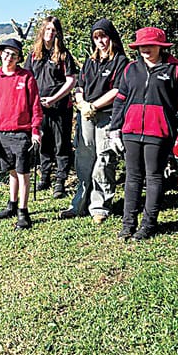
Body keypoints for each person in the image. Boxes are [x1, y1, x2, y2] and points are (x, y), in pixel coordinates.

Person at [109, 27, 178, 241]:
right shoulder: (130, 69)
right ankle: (128, 225)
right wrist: (114, 129)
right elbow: (120, 100)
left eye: (150, 45)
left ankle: (148, 224)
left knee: (154, 177)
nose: (146, 49)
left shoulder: (174, 69)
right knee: (132, 177)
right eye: (142, 45)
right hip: (131, 131)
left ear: (161, 47)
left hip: (160, 132)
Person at [59, 19, 128, 224]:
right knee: (84, 158)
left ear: (111, 37)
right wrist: (81, 103)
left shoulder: (121, 61)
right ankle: (78, 204)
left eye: (103, 36)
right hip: (86, 114)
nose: (100, 41)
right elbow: (79, 86)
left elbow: (118, 90)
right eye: (96, 38)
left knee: (104, 159)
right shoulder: (90, 62)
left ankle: (100, 206)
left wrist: (94, 106)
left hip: (106, 115)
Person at [0, 38, 43, 230]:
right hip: (2, 133)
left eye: (14, 55)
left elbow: (36, 106)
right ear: (1, 54)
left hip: (22, 133)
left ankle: (23, 212)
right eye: (6, 53)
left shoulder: (26, 77)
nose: (9, 57)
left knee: (23, 174)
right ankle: (11, 204)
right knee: (11, 172)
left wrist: (35, 131)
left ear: (19, 58)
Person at [23, 16, 78, 199]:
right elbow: (27, 79)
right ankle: (44, 178)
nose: (50, 33)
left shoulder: (63, 55)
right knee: (43, 144)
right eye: (47, 29)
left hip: (61, 107)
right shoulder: (33, 55)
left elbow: (71, 81)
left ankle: (60, 182)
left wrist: (54, 99)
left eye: (53, 30)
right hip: (39, 108)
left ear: (58, 33)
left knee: (61, 146)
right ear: (42, 31)